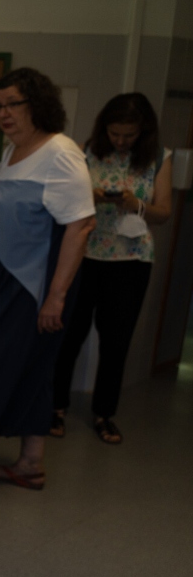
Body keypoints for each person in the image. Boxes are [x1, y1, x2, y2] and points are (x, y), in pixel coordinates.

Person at [0, 68, 95, 489]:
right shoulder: (14, 151)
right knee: (33, 369)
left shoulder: (61, 152)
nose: (4, 113)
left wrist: (56, 298)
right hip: (2, 280)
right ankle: (31, 463)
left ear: (38, 104)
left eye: (14, 104)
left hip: (31, 288)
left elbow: (81, 225)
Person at [52, 93, 172, 443]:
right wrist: (94, 195)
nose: (120, 141)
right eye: (115, 133)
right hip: (84, 255)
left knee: (116, 341)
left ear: (143, 132)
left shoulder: (159, 159)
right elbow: (65, 199)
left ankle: (105, 414)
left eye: (129, 135)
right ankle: (55, 407)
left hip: (131, 261)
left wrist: (138, 205)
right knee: (68, 334)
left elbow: (164, 213)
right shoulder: (84, 150)